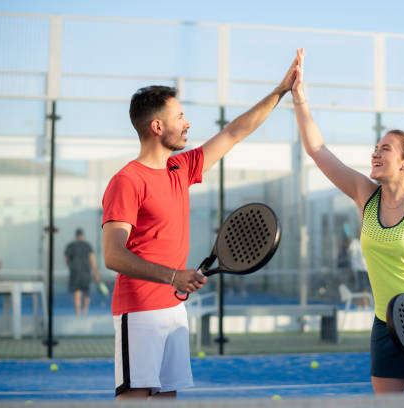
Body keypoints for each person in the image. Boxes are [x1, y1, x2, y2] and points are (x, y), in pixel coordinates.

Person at [101, 56, 296, 399]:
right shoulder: (127, 181)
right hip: (140, 308)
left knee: (167, 397)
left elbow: (236, 131)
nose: (188, 123)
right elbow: (113, 255)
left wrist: (280, 91)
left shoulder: (182, 167)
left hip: (173, 309)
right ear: (157, 127)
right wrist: (173, 276)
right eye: (179, 117)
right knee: (136, 398)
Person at [290, 48, 404, 393]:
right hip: (387, 324)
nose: (375, 153)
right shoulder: (365, 196)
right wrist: (299, 98)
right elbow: (318, 150)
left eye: (385, 149)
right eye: (375, 148)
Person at [65, 228, 100, 315]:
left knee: (77, 292)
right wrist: (96, 273)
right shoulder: (87, 245)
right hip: (85, 272)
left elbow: (66, 258)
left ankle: (77, 311)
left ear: (76, 236)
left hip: (75, 271)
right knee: (86, 291)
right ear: (82, 235)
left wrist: (70, 266)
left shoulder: (71, 245)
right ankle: (85, 311)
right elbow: (92, 260)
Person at [348, 233, 370, 309]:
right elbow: (352, 254)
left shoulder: (367, 241)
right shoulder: (355, 243)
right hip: (359, 270)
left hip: (367, 269)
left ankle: (363, 305)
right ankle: (362, 305)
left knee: (365, 288)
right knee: (362, 288)